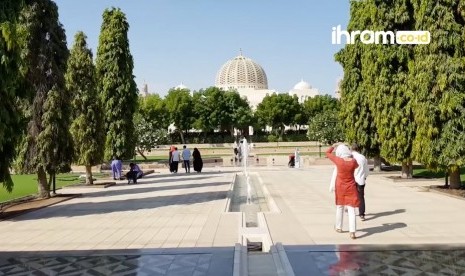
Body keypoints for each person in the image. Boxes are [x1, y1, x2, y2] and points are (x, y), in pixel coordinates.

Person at [326, 143, 360, 239]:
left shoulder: (338, 161)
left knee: (340, 207)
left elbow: (327, 153)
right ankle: (352, 231)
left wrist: (333, 146)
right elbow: (357, 166)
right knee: (351, 209)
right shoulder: (353, 161)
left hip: (340, 187)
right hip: (351, 187)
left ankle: (338, 227)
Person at [351, 143, 369, 221]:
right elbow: (366, 170)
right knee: (361, 197)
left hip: (351, 179)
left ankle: (351, 211)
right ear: (359, 149)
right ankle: (362, 214)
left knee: (351, 196)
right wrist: (364, 177)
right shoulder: (362, 157)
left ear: (351, 149)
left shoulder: (350, 157)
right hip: (361, 179)